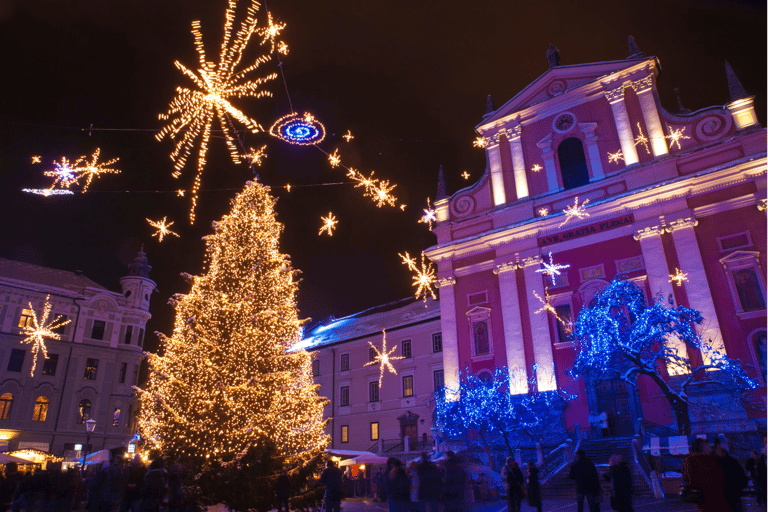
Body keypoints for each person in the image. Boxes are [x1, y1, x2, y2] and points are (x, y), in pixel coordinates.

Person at [682, 438, 729, 512]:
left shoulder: (709, 458)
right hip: (706, 492)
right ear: (702, 447)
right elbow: (691, 477)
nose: (710, 447)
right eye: (707, 445)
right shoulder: (694, 459)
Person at [714, 444, 747, 512]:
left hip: (725, 492)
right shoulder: (732, 461)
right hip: (734, 491)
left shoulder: (717, 463)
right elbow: (741, 475)